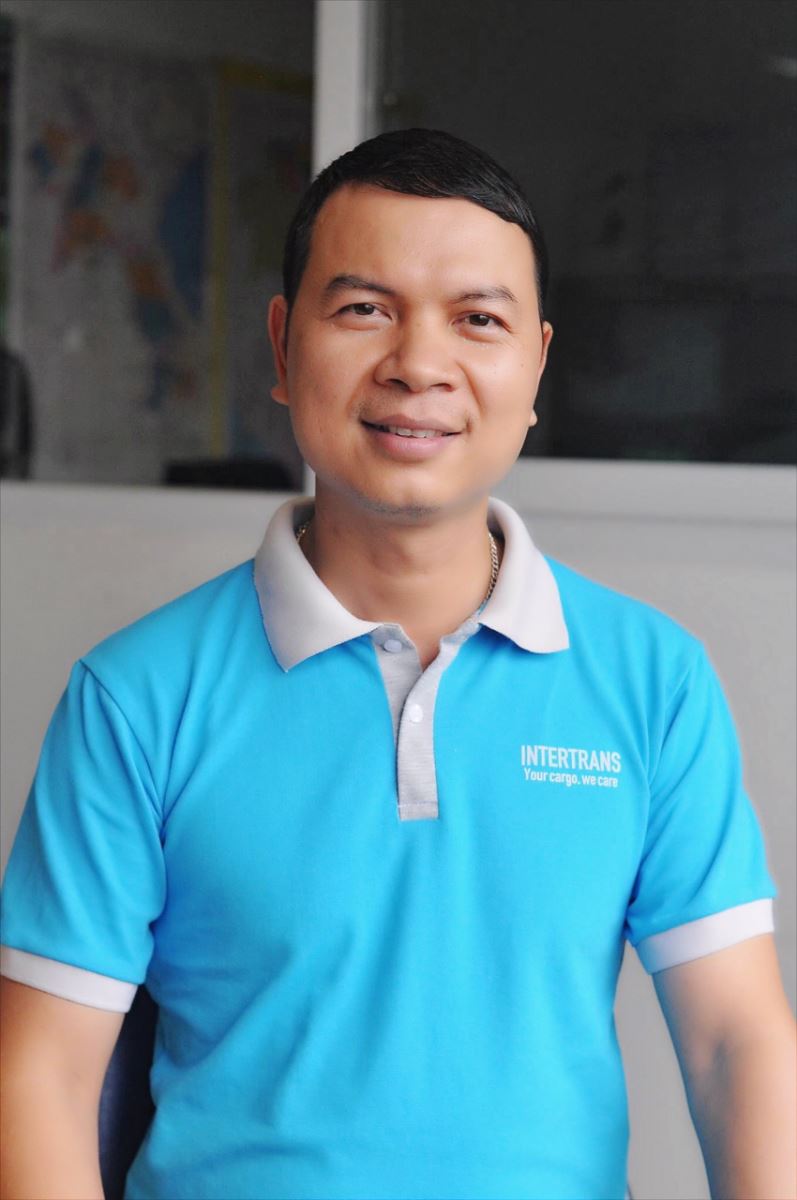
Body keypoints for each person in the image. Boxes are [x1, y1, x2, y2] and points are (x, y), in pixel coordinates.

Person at [1, 128, 794, 1200]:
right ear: (282, 345)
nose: (418, 365)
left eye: (477, 320)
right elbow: (42, 1078)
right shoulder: (136, 696)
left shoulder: (652, 683)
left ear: (535, 366)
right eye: (364, 309)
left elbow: (734, 1043)